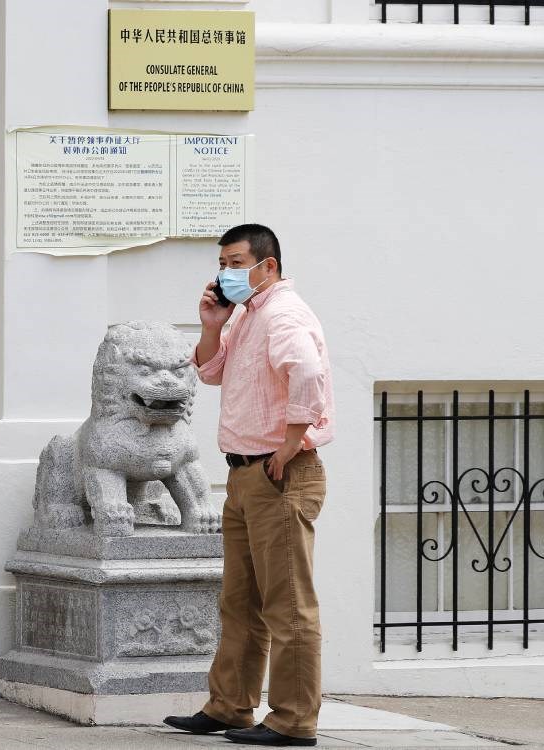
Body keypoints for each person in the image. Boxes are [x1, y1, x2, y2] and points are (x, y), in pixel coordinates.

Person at [163, 224, 334, 747]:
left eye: (237, 263)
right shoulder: (248, 315)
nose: (227, 273)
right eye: (223, 263)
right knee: (240, 600)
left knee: (287, 603)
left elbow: (306, 371)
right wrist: (213, 325)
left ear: (269, 266)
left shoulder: (283, 313)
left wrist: (289, 444)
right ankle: (231, 706)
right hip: (244, 475)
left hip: (278, 473)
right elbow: (211, 373)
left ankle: (292, 720)